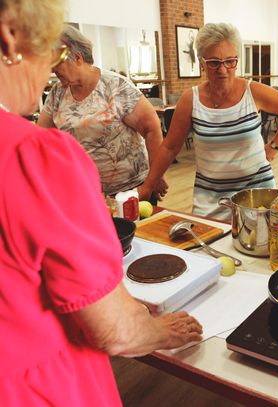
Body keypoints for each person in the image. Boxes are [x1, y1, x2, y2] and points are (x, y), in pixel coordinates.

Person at [0, 1, 202, 405]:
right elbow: (115, 329)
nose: (49, 72)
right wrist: (161, 330)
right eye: (49, 55)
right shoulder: (33, 157)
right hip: (37, 389)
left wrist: (148, 184)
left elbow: (150, 128)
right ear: (10, 39)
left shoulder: (111, 87)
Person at [139, 23, 278, 220]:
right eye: (214, 62)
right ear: (202, 62)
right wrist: (148, 185)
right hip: (210, 197)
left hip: (256, 192)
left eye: (230, 61)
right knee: (206, 247)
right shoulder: (190, 99)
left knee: (257, 245)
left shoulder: (253, 92)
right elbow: (170, 147)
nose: (223, 69)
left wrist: (274, 147)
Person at [37, 26, 167, 200]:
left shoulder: (115, 86)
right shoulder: (57, 93)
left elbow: (152, 128)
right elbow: (40, 138)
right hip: (85, 193)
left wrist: (152, 181)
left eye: (56, 62)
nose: (52, 70)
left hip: (129, 191)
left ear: (77, 58)